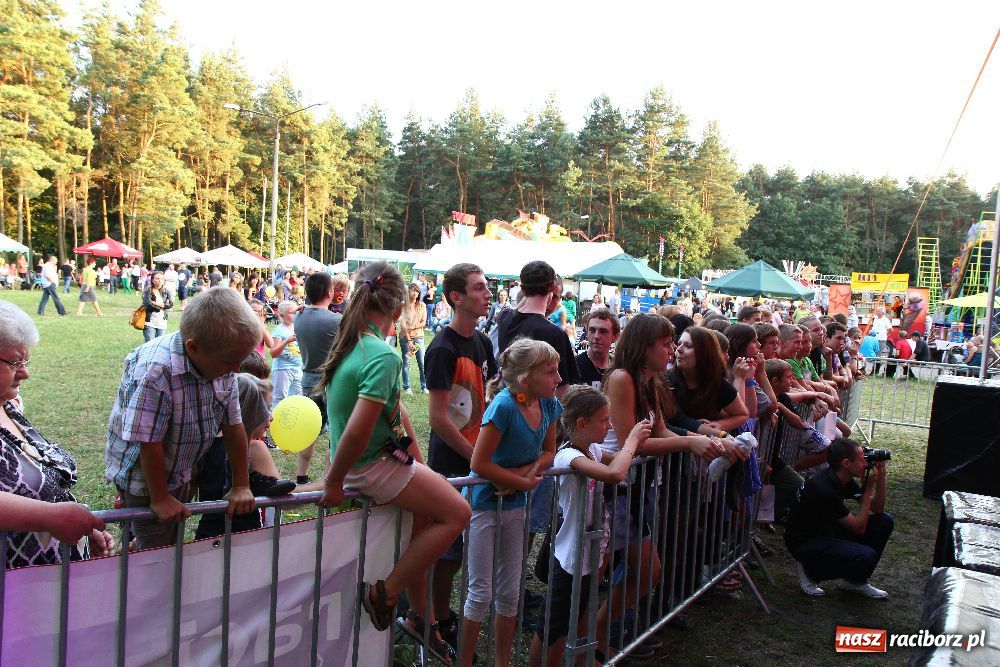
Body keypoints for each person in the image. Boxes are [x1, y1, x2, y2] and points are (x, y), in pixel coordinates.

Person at [318, 261, 470, 659]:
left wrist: (421, 464)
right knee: (458, 513)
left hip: (371, 463)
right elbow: (357, 429)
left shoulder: (354, 342)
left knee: (421, 523)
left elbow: (394, 410)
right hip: (370, 467)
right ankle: (386, 592)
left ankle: (423, 619)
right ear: (400, 306)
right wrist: (334, 481)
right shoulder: (383, 355)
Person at [104, 287, 258, 550]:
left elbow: (233, 426)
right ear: (194, 348)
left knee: (171, 533)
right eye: (231, 361)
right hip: (144, 478)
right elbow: (148, 442)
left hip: (181, 465)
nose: (236, 369)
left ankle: (135, 547)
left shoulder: (222, 363)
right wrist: (160, 497)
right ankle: (138, 567)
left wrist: (241, 484)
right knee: (156, 551)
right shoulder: (156, 371)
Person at [529, 385, 650, 667]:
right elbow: (615, 472)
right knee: (553, 623)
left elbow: (620, 460)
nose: (609, 426)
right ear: (582, 423)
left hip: (588, 553)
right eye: (604, 420)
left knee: (577, 613)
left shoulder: (592, 448)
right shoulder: (567, 456)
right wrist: (631, 440)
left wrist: (635, 444)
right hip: (569, 556)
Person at [460, 338, 562, 667]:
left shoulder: (547, 404)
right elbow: (479, 463)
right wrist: (521, 481)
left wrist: (521, 474)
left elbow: (549, 451)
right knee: (480, 592)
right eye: (551, 372)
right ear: (525, 379)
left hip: (516, 506)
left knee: (510, 592)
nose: (558, 378)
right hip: (483, 508)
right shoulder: (504, 406)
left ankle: (501, 663)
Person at [0, 301, 113, 568]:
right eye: (15, 363)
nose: (25, 373)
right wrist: (50, 517)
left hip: (43, 583)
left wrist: (78, 523)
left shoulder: (10, 404)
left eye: (26, 361)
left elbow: (39, 478)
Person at [424, 262, 496, 648]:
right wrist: (474, 457)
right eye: (479, 288)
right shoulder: (441, 348)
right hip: (453, 465)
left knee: (470, 545)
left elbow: (492, 390)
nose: (487, 294)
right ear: (456, 297)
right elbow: (437, 419)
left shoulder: (482, 342)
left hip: (477, 460)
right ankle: (438, 617)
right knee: (447, 550)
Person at [784, 437, 893, 599]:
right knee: (866, 556)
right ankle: (810, 570)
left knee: (884, 521)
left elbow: (877, 509)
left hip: (824, 529)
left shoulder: (842, 477)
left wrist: (881, 477)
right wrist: (868, 489)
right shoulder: (824, 488)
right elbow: (858, 528)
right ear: (847, 464)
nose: (866, 462)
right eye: (862, 459)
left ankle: (854, 581)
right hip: (804, 542)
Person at [496, 261, 580, 396]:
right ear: (553, 288)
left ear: (522, 289)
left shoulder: (504, 318)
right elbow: (561, 389)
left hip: (507, 404)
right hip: (537, 413)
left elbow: (519, 309)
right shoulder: (554, 334)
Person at [293, 272, 342, 484]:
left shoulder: (298, 316)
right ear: (330, 292)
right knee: (336, 432)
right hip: (331, 380)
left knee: (309, 430)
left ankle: (301, 476)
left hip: (307, 378)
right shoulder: (337, 320)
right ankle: (329, 478)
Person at [575, 307, 620, 387]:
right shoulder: (574, 366)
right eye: (592, 330)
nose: (596, 336)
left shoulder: (618, 369)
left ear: (615, 337)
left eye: (603, 331)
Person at [269, 301, 302, 408]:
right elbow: (273, 353)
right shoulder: (279, 330)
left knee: (298, 398)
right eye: (292, 313)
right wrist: (286, 341)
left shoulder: (297, 327)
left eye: (296, 312)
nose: (295, 315)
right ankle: (273, 423)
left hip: (297, 368)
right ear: (282, 315)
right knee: (280, 398)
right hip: (283, 369)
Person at [399, 283, 428, 394]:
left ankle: (424, 387)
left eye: (417, 291)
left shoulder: (422, 305)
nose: (415, 292)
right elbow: (402, 324)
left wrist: (414, 327)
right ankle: (407, 387)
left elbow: (423, 322)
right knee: (407, 362)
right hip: (406, 339)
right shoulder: (403, 306)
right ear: (408, 292)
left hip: (419, 338)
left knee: (422, 363)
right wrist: (409, 340)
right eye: (413, 290)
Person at [141, 270, 172, 342]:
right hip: (150, 322)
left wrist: (155, 303)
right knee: (149, 344)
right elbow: (147, 304)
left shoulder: (166, 291)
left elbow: (170, 305)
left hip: (162, 322)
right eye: (157, 278)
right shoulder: (148, 291)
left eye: (161, 279)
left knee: (160, 344)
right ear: (152, 280)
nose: (159, 280)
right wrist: (161, 307)